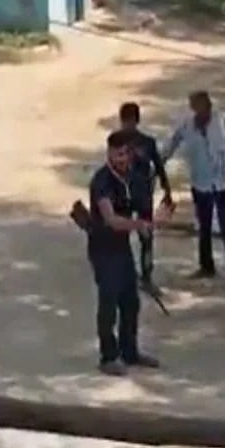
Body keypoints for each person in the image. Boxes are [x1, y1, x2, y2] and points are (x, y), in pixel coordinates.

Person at [89, 130, 161, 376]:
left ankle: (129, 351)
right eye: (117, 154)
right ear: (109, 153)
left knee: (130, 301)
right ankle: (108, 356)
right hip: (102, 248)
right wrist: (139, 225)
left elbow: (142, 207)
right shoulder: (101, 182)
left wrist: (151, 222)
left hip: (122, 247)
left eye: (125, 154)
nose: (122, 159)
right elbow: (111, 220)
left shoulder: (132, 178)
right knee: (108, 302)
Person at [162, 91, 225, 292]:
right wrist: (157, 162)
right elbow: (170, 145)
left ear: (209, 106)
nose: (200, 112)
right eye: (195, 107)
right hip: (201, 182)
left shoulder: (221, 121)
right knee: (203, 226)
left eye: (202, 107)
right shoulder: (187, 125)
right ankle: (206, 266)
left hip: (222, 183)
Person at [115, 102, 172, 292]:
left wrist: (167, 190)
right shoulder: (115, 142)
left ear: (136, 121)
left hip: (143, 195)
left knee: (146, 238)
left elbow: (159, 167)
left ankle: (147, 276)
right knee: (120, 235)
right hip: (122, 195)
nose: (127, 125)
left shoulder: (148, 143)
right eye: (125, 121)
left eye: (130, 121)